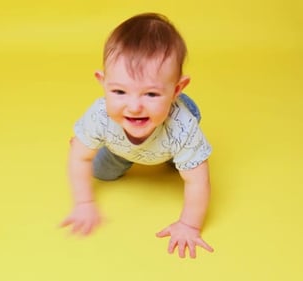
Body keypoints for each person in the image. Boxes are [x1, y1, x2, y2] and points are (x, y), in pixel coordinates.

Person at [60, 13, 214, 259]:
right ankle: (87, 140)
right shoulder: (101, 115)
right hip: (119, 144)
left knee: (186, 166)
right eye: (119, 91)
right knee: (98, 170)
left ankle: (178, 134)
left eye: (151, 94)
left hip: (166, 143)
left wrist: (189, 225)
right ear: (103, 83)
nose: (134, 107)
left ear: (176, 89)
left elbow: (198, 182)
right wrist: (84, 204)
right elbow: (79, 160)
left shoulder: (182, 127)